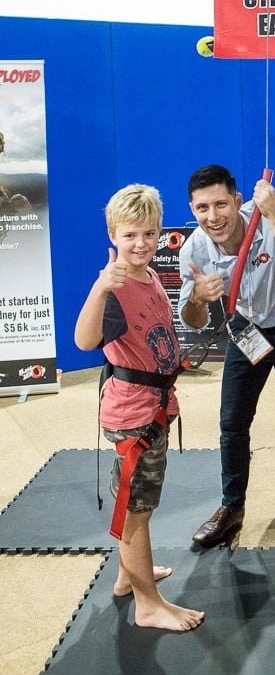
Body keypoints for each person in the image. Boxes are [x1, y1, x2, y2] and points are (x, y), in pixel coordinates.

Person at [178, 164, 275, 570]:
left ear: (238, 201)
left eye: (221, 204)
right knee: (231, 423)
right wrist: (198, 301)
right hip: (246, 331)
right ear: (192, 209)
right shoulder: (195, 249)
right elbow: (191, 322)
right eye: (202, 208)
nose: (213, 216)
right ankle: (231, 508)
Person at [74, 184, 204, 632]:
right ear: (113, 234)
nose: (141, 243)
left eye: (149, 234)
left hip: (154, 406)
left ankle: (129, 578)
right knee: (136, 512)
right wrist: (98, 289)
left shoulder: (148, 276)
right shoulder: (114, 284)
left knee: (137, 503)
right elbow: (85, 341)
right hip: (133, 417)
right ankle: (148, 604)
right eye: (130, 235)